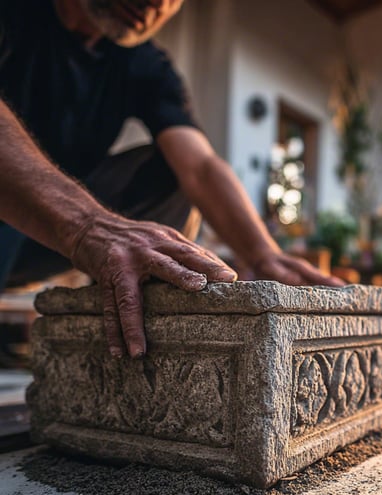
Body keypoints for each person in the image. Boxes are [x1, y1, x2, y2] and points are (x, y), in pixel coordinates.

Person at [0, 0, 343, 360]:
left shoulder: (144, 64)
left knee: (171, 176)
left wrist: (263, 253)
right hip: (29, 221)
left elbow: (200, 167)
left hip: (38, 244)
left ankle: (131, 347)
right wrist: (88, 225)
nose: (158, 3)